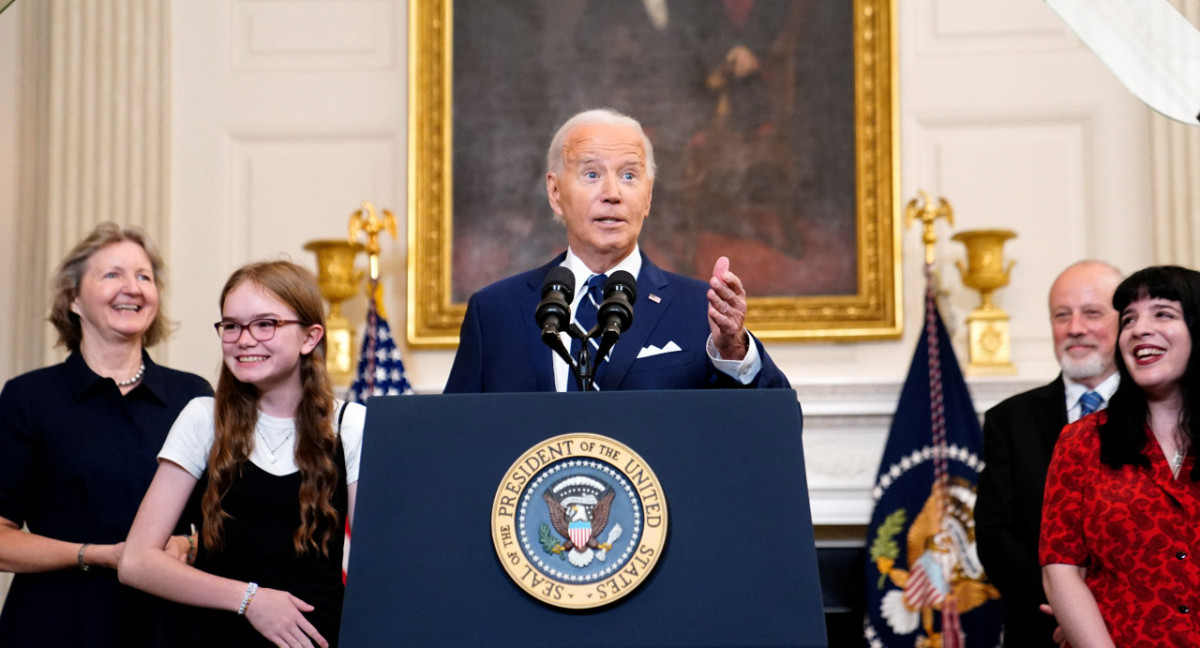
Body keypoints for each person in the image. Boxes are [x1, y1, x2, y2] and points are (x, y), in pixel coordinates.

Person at [444, 107, 790, 393]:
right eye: (592, 174)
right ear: (555, 194)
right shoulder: (494, 313)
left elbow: (770, 430)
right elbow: (454, 440)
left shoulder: (701, 310)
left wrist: (734, 352)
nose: (612, 193)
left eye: (628, 176)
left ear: (648, 196)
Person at [119, 261, 366, 648]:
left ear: (309, 337)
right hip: (213, 637)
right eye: (231, 325)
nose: (244, 339)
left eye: (265, 324)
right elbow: (136, 563)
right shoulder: (203, 418)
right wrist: (251, 600)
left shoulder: (351, 425)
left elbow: (376, 563)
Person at [0, 223, 213, 647]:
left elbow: (226, 523)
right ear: (74, 299)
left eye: (144, 276)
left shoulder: (194, 396)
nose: (131, 288)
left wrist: (189, 546)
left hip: (168, 626)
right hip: (56, 627)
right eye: (112, 274)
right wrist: (96, 554)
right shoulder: (28, 397)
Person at [1041, 265, 1200, 647]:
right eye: (1129, 319)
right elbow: (1060, 569)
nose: (1139, 328)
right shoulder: (1080, 441)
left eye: (1163, 313)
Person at [975, 260, 1122, 648]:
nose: (1075, 328)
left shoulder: (1160, 410)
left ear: (1124, 322)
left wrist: (1107, 609)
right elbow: (996, 536)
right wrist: (1069, 610)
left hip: (1138, 626)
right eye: (1062, 315)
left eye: (1092, 313)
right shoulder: (1008, 420)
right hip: (1041, 629)